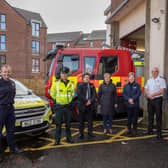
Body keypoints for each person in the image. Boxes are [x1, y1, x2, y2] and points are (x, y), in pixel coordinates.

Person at [0, 65, 23, 162]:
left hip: (10, 109)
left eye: (8, 72)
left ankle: (12, 148)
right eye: (4, 72)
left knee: (10, 130)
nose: (6, 74)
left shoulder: (13, 83)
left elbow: (12, 96)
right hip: (1, 109)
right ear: (1, 72)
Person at [50, 66, 75, 145]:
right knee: (58, 124)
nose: (64, 75)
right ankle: (57, 140)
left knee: (68, 124)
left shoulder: (71, 84)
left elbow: (73, 93)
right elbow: (52, 93)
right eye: (62, 73)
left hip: (68, 106)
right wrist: (58, 100)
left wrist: (69, 101)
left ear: (67, 75)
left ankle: (69, 138)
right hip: (59, 107)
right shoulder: (56, 83)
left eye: (65, 74)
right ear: (60, 74)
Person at [145, 67, 166, 139]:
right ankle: (149, 130)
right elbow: (146, 89)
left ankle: (159, 134)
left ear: (158, 72)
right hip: (150, 100)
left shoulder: (161, 80)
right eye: (152, 71)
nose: (154, 73)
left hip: (158, 100)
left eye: (155, 71)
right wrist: (148, 95)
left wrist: (152, 95)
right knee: (150, 116)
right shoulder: (149, 80)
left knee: (158, 117)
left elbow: (162, 91)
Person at [77, 73, 96, 139]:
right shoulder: (79, 85)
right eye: (85, 77)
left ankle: (90, 133)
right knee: (81, 121)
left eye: (88, 77)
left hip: (90, 106)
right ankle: (81, 134)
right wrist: (86, 101)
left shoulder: (92, 85)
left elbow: (94, 94)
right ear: (83, 78)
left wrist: (90, 101)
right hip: (82, 106)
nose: (87, 78)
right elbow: (79, 95)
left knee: (90, 121)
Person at [123, 72, 141, 136]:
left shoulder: (137, 85)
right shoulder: (125, 86)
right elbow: (124, 94)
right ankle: (129, 130)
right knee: (129, 118)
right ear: (128, 78)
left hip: (135, 105)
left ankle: (134, 130)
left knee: (135, 118)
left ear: (134, 78)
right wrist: (128, 99)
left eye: (132, 77)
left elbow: (138, 94)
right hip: (128, 105)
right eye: (130, 77)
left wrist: (132, 99)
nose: (131, 79)